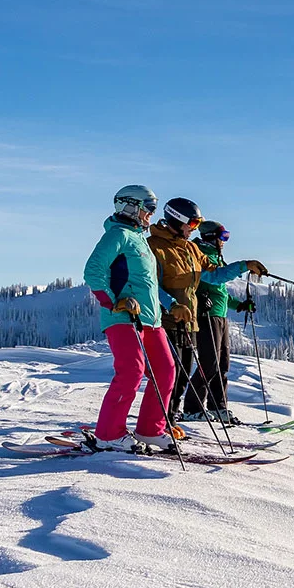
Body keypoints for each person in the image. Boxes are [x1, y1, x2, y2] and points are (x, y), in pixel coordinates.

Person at [146, 198, 266, 422]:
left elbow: (214, 276)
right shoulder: (154, 247)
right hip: (169, 318)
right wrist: (172, 304)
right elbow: (150, 284)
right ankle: (159, 423)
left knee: (186, 375)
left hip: (189, 320)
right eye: (192, 225)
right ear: (177, 220)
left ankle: (168, 423)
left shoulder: (191, 249)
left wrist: (244, 266)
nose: (194, 230)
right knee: (170, 374)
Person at [82, 185, 179, 452]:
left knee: (166, 370)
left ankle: (150, 429)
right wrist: (113, 303)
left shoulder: (140, 241)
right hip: (123, 317)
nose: (151, 214)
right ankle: (108, 435)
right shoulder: (117, 235)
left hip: (151, 319)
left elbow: (148, 283)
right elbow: (93, 271)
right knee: (132, 371)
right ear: (130, 207)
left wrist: (172, 305)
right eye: (148, 208)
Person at [191, 220, 255, 424]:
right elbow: (213, 279)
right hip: (205, 315)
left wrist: (239, 305)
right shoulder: (200, 255)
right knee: (209, 363)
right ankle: (192, 408)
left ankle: (218, 406)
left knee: (221, 364)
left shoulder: (214, 256)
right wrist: (244, 266)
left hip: (218, 314)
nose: (225, 241)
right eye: (223, 236)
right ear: (211, 237)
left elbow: (219, 292)